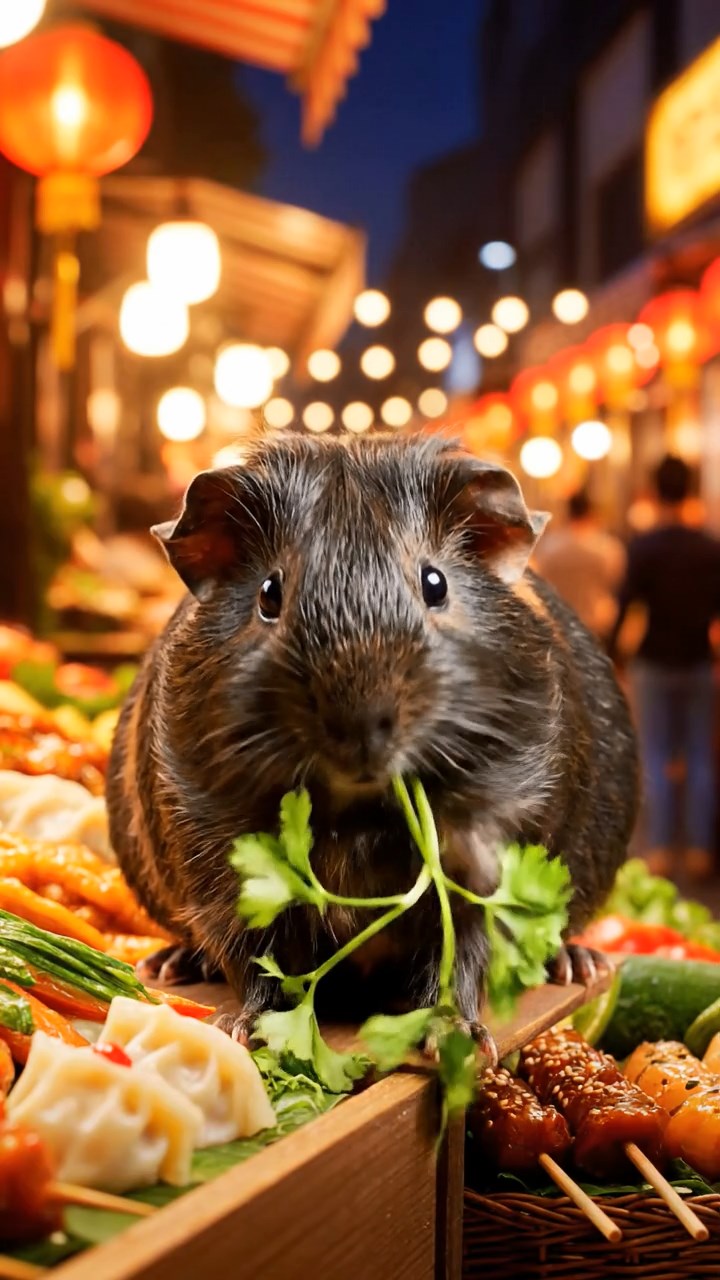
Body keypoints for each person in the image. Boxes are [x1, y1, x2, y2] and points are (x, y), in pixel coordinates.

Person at [610, 455, 720, 880]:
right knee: (699, 756)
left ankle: (657, 849)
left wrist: (613, 655)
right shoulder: (710, 548)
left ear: (655, 492)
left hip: (653, 661)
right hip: (697, 661)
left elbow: (624, 608)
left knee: (654, 753)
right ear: (690, 490)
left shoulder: (643, 547)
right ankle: (696, 850)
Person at [533, 491, 626, 638]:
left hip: (559, 623)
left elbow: (539, 581)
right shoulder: (607, 547)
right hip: (596, 624)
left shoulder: (549, 546)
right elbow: (615, 583)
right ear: (591, 512)